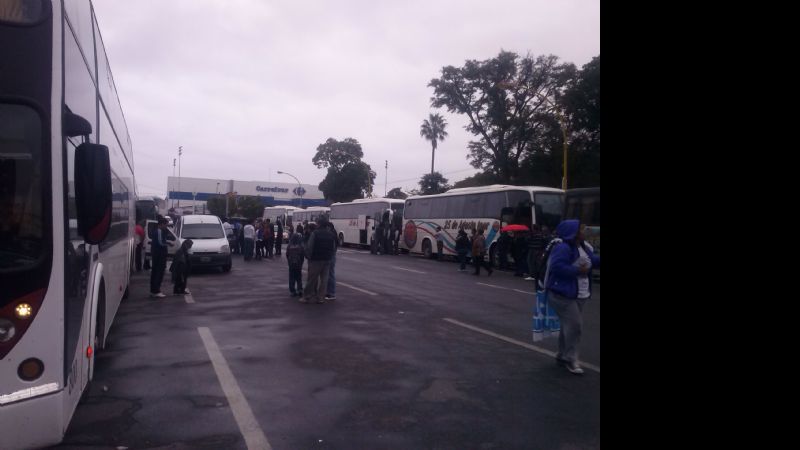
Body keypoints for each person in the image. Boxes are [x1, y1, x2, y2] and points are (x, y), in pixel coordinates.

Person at [545, 220, 600, 375]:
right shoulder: (563, 248)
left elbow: (592, 261)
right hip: (563, 294)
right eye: (581, 229)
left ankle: (562, 355)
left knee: (568, 326)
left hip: (579, 293)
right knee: (575, 326)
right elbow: (557, 267)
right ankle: (571, 359)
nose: (584, 232)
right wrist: (578, 271)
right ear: (573, 232)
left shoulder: (583, 246)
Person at [302, 216, 335, 304]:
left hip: (315, 259)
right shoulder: (330, 234)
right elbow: (333, 247)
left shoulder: (315, 233)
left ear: (319, 224)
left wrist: (308, 257)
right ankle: (321, 298)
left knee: (311, 279)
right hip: (327, 259)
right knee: (324, 280)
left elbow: (310, 247)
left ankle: (306, 296)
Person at [149, 216, 175, 298]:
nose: (166, 227)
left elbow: (161, 241)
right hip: (159, 255)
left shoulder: (157, 231)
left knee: (155, 272)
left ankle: (153, 290)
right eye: (166, 225)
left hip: (156, 254)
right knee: (159, 272)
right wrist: (168, 244)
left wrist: (167, 242)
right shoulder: (159, 231)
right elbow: (160, 243)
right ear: (162, 224)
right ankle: (156, 290)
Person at [285, 232, 305, 297]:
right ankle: (300, 290)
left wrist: (289, 261)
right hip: (298, 264)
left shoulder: (289, 246)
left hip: (291, 264)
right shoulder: (301, 246)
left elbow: (287, 254)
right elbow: (302, 255)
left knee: (291, 277)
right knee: (299, 277)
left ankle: (292, 291)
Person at [325, 221, 338, 301]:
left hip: (331, 256)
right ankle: (329, 292)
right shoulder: (334, 234)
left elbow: (333, 248)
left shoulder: (331, 235)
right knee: (329, 274)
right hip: (332, 255)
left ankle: (331, 293)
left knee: (330, 275)